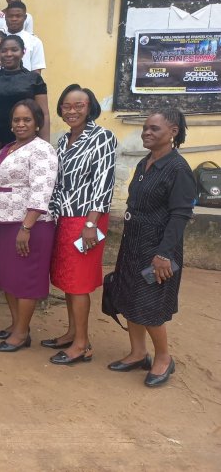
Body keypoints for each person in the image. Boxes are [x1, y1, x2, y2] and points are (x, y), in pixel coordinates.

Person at [109, 108, 195, 387]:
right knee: (129, 298)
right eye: (145, 128)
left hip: (157, 250)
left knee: (150, 305)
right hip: (132, 243)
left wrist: (163, 254)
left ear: (172, 132)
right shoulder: (145, 163)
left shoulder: (178, 168)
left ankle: (163, 358)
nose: (146, 132)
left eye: (154, 129)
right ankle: (137, 353)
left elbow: (180, 214)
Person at [46, 85, 117, 364]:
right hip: (65, 217)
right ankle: (71, 332)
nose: (72, 111)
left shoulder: (102, 137)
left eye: (79, 105)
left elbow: (104, 182)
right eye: (67, 105)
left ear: (90, 108)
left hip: (87, 219)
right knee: (66, 279)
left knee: (79, 283)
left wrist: (91, 223)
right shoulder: (63, 141)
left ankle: (82, 344)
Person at [0, 99, 57, 352]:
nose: (21, 124)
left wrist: (27, 227)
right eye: (17, 120)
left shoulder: (42, 149)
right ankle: (16, 324)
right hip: (6, 220)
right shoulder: (9, 148)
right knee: (9, 276)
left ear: (38, 123)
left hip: (31, 223)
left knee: (27, 279)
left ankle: (21, 333)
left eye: (27, 120)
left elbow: (42, 190)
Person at [0, 35, 49, 153]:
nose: (9, 54)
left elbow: (44, 114)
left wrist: (45, 146)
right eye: (4, 51)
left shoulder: (34, 80)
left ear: (23, 52)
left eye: (14, 50)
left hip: (27, 142)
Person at [4, 1, 45, 74]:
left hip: (25, 84)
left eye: (18, 16)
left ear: (25, 17)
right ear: (5, 17)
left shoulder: (34, 41)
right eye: (10, 16)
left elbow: (36, 72)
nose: (14, 19)